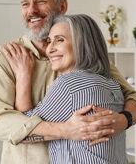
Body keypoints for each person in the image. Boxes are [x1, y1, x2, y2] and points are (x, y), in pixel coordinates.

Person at [0, 0, 136, 164]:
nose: (32, 10)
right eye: (24, 4)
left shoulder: (85, 57)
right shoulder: (5, 56)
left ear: (62, 7)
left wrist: (123, 120)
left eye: (41, 1)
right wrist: (66, 130)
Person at [11, 14, 128, 163]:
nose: (50, 49)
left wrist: (23, 75)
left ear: (82, 44)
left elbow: (23, 129)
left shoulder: (69, 85)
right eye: (49, 41)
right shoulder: (113, 84)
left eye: (60, 40)